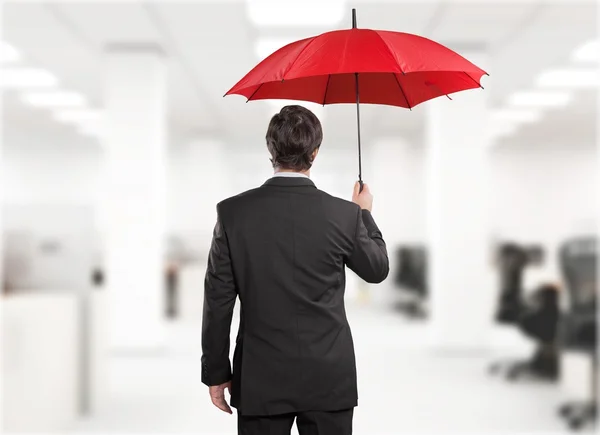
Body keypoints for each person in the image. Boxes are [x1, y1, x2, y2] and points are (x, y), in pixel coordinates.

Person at [201, 105, 389, 435]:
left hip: (260, 375)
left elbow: (218, 302)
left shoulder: (232, 213)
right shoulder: (343, 214)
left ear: (270, 149)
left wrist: (216, 372)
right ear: (314, 152)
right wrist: (364, 215)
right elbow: (376, 269)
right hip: (328, 375)